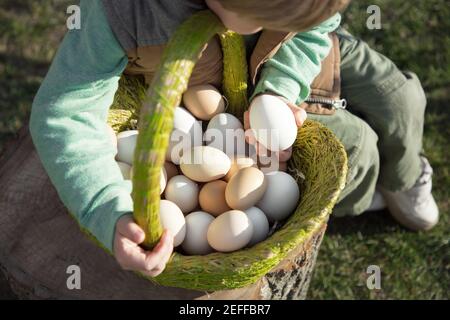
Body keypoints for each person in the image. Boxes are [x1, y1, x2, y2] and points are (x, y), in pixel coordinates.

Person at [29, 0, 438, 279]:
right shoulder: (122, 13)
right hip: (218, 94)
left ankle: (402, 178)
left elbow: (317, 28)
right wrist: (108, 208)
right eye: (259, 14)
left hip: (288, 56)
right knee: (360, 147)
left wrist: (281, 89)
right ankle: (369, 194)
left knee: (399, 97)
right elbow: (65, 112)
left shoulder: (295, 14)